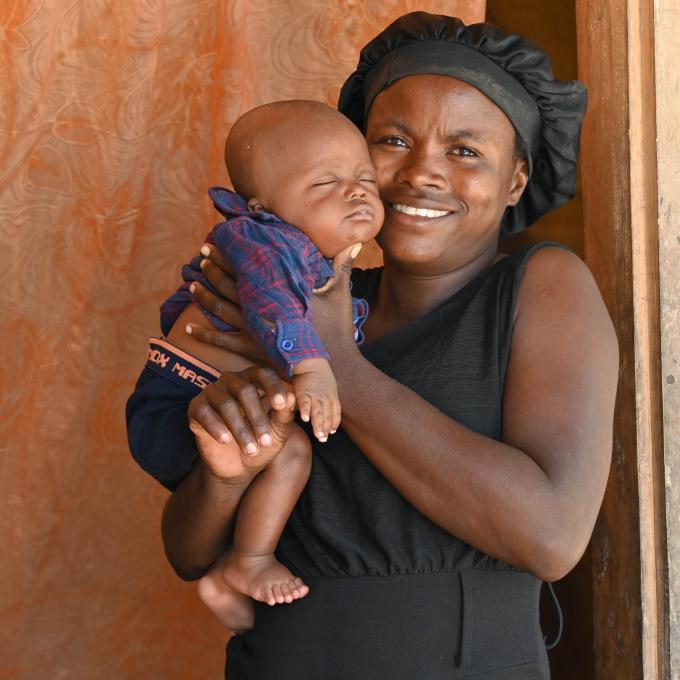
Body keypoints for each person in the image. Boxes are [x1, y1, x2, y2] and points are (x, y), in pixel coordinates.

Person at [126, 11, 618, 679]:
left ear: (516, 181)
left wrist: (340, 370)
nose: (422, 173)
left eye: (465, 150)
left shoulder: (540, 287)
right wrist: (223, 474)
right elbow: (187, 554)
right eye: (392, 140)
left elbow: (553, 537)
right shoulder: (295, 309)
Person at [148, 101, 383, 615]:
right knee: (291, 453)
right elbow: (273, 302)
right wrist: (314, 366)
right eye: (326, 183)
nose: (357, 190)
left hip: (225, 404)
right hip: (183, 396)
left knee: (291, 454)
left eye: (366, 177)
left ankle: (228, 571)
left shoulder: (316, 257)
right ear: (262, 206)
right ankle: (248, 561)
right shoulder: (262, 241)